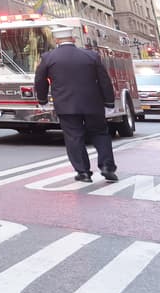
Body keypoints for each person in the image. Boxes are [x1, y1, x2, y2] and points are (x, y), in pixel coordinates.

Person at [33, 24, 118, 182]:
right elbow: (104, 81)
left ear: (56, 41)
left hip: (66, 105)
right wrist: (109, 102)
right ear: (73, 39)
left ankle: (83, 172)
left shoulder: (48, 58)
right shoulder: (91, 56)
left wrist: (43, 100)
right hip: (93, 103)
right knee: (100, 134)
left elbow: (40, 80)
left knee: (74, 137)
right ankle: (107, 167)